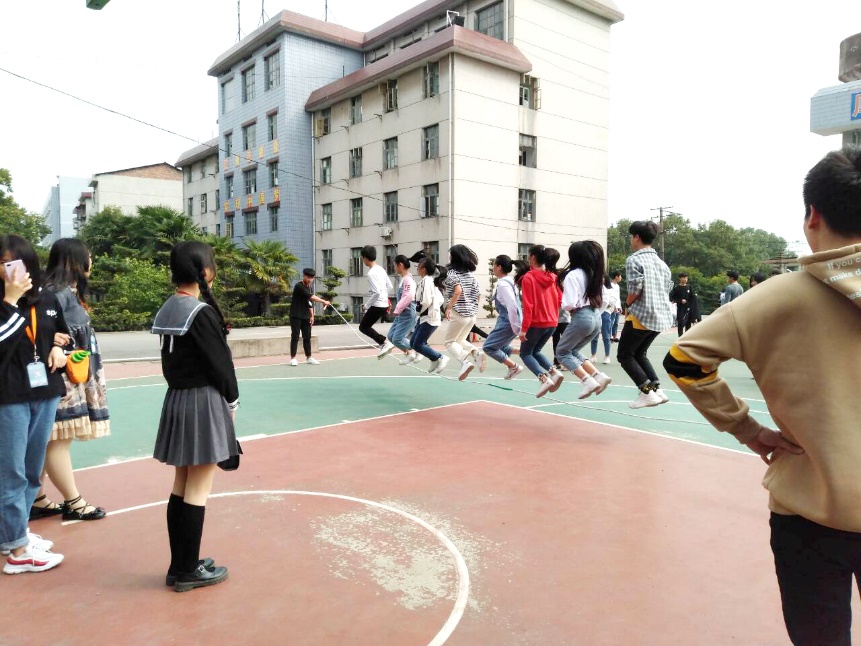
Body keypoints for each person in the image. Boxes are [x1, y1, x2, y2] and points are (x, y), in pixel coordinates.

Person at [662, 146, 861, 645]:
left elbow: (683, 359)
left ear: (812, 214)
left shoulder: (776, 298)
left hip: (811, 513)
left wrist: (748, 430)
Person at [151, 241, 238, 592]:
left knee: (181, 485)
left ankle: (180, 565)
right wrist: (232, 402)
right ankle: (187, 570)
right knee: (197, 488)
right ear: (205, 271)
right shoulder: (199, 312)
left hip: (177, 400)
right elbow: (221, 365)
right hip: (203, 403)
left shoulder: (169, 308)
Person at [1, 234, 67, 574]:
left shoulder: (46, 298)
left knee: (30, 471)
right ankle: (17, 552)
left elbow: (62, 333)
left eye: (21, 263)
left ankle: (15, 535)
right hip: (8, 397)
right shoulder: (5, 304)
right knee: (9, 473)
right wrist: (10, 302)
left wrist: (60, 349)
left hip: (44, 392)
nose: (15, 271)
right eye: (7, 264)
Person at [34, 238, 109, 523]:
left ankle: (37, 497)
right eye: (89, 256)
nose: (92, 261)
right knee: (58, 440)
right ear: (76, 260)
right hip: (61, 380)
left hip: (69, 377)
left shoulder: (62, 291)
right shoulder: (55, 293)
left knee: (49, 440)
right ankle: (74, 502)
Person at [617, 221, 673, 409]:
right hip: (660, 316)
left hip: (641, 315)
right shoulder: (662, 264)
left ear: (637, 237)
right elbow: (667, 288)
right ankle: (656, 389)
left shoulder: (634, 259)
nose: (631, 241)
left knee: (625, 355)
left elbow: (635, 289)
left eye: (632, 237)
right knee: (640, 353)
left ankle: (646, 392)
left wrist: (627, 303)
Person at [555, 241, 612, 399]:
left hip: (581, 316)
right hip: (596, 316)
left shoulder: (572, 275)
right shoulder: (595, 274)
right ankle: (597, 375)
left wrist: (565, 306)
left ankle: (587, 381)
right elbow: (605, 298)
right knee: (572, 351)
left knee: (561, 353)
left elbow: (568, 304)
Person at [519, 245, 564, 397]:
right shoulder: (553, 276)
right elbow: (559, 299)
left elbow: (528, 305)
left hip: (536, 322)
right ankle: (554, 372)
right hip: (552, 321)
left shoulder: (529, 277)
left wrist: (524, 328)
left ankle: (543, 378)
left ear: (532, 257)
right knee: (536, 351)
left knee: (525, 353)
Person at [443, 245, 482, 381]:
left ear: (454, 257)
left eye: (450, 255)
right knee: (459, 340)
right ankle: (475, 352)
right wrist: (473, 309)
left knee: (449, 342)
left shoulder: (452, 274)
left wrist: (449, 307)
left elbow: (458, 291)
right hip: (471, 315)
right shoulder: (471, 275)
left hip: (459, 313)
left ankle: (465, 361)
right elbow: (478, 295)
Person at [482, 255, 524, 380]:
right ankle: (526, 353)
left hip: (508, 321)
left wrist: (515, 326)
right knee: (501, 346)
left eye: (494, 265)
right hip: (510, 320)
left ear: (499, 267)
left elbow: (512, 306)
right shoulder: (511, 281)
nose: (492, 268)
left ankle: (514, 366)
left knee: (488, 347)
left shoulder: (503, 284)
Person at [411, 258, 449, 373]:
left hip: (429, 318)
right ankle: (434, 359)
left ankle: (440, 357)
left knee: (417, 345)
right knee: (413, 343)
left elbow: (426, 301)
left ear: (423, 269)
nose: (417, 269)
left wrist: (418, 310)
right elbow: (440, 299)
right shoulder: (429, 281)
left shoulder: (425, 282)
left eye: (418, 266)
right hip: (427, 317)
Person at [379, 255, 418, 363]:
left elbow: (409, 296)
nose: (394, 268)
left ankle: (419, 348)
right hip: (402, 313)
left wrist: (397, 309)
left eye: (395, 265)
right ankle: (409, 353)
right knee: (391, 336)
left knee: (397, 339)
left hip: (407, 312)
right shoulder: (404, 279)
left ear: (400, 265)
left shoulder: (408, 279)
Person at [289, 268, 330, 367]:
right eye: (308, 278)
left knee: (307, 337)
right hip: (296, 315)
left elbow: (309, 303)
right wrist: (324, 301)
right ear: (304, 276)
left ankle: (309, 357)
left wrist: (312, 316)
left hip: (306, 316)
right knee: (295, 336)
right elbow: (310, 297)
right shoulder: (299, 286)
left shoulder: (309, 288)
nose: (310, 280)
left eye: (312, 278)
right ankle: (293, 358)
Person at [358, 246, 392, 349]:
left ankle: (384, 343)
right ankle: (384, 343)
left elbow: (376, 292)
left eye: (362, 258)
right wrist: (384, 297)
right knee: (367, 326)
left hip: (377, 305)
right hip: (384, 304)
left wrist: (366, 306)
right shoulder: (381, 269)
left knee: (363, 327)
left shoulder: (371, 273)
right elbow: (390, 286)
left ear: (365, 258)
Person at [590, 272, 619, 363]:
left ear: (605, 279)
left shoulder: (610, 290)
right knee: (594, 335)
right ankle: (593, 355)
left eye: (602, 278)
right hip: (596, 312)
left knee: (606, 336)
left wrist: (610, 309)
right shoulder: (595, 289)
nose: (600, 279)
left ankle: (607, 356)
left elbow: (612, 302)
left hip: (605, 313)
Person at [668, 272, 695, 337]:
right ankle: (680, 337)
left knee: (688, 323)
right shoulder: (676, 288)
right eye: (683, 278)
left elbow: (692, 297)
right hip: (680, 309)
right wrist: (680, 300)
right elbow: (671, 297)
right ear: (680, 279)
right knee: (680, 323)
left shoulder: (689, 287)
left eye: (686, 278)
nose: (685, 279)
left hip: (688, 308)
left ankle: (686, 338)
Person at [609, 271, 623, 341]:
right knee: (611, 321)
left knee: (616, 322)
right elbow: (611, 297)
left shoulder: (617, 286)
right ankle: (609, 336)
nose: (621, 278)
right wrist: (614, 306)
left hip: (617, 306)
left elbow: (618, 297)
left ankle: (614, 336)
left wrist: (620, 306)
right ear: (616, 277)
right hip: (612, 307)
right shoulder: (610, 285)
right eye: (620, 276)